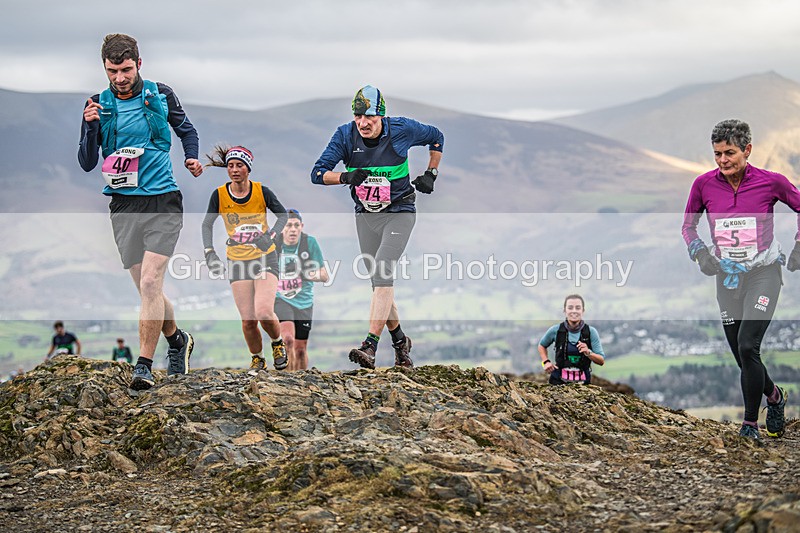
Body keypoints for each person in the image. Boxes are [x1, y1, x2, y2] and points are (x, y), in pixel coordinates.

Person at [77, 34, 202, 390]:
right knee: (148, 290)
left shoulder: (160, 94)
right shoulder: (97, 104)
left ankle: (143, 365)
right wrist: (89, 127)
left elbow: (186, 129)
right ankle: (178, 340)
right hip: (123, 204)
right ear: (105, 68)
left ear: (139, 64)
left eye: (126, 69)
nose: (120, 78)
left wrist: (192, 157)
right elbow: (87, 163)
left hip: (163, 199)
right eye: (113, 71)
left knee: (150, 281)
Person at [311, 85, 444, 369]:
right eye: (358, 116)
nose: (363, 123)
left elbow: (437, 138)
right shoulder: (345, 135)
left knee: (383, 270)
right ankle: (400, 343)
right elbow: (318, 173)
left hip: (400, 211)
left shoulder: (402, 130)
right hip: (366, 216)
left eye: (369, 117)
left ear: (382, 116)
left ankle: (369, 345)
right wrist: (346, 177)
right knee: (379, 284)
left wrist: (431, 173)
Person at [682, 119, 795, 442]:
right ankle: (774, 395)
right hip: (727, 277)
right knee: (740, 354)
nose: (722, 160)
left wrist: (799, 245)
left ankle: (749, 424)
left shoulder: (771, 182)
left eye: (729, 153)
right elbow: (688, 227)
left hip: (764, 273)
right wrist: (700, 253)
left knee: (749, 345)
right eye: (717, 154)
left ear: (747, 150)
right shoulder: (703, 185)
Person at [202, 145, 289, 373]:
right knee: (248, 320)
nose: (234, 170)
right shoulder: (219, 195)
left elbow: (283, 216)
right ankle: (257, 358)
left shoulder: (262, 191)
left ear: (248, 168)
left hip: (264, 257)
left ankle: (277, 343)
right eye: (230, 166)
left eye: (239, 165)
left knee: (263, 311)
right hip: (237, 261)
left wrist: (269, 235)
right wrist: (209, 252)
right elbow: (207, 224)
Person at [273, 209, 329, 370]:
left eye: (296, 225)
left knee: (300, 349)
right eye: (289, 225)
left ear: (301, 226)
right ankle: (287, 382)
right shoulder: (274, 243)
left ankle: (303, 382)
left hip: (304, 301)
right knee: (288, 340)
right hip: (280, 298)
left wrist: (303, 274)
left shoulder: (309, 243)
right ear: (282, 227)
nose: (293, 229)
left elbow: (324, 275)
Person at [538, 295, 605, 385]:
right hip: (558, 383)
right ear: (565, 311)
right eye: (570, 308)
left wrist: (588, 352)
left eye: (578, 308)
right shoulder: (555, 330)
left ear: (583, 311)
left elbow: (601, 361)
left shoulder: (591, 332)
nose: (574, 311)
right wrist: (545, 362)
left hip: (583, 385)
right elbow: (542, 345)